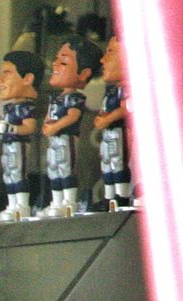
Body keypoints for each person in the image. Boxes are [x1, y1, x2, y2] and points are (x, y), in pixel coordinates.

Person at [39, 36, 101, 218]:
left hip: (66, 139)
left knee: (66, 168)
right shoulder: (55, 98)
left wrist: (55, 126)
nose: (55, 64)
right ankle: (56, 201)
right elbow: (49, 115)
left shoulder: (75, 98)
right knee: (53, 169)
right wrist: (47, 125)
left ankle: (69, 201)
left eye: (64, 62)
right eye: (56, 59)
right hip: (54, 140)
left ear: (84, 74)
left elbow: (73, 116)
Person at [0, 49, 43, 222]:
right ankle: (12, 205)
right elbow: (5, 129)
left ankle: (22, 206)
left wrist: (10, 129)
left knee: (18, 174)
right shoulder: (9, 108)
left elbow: (29, 127)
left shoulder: (26, 107)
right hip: (8, 146)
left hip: (19, 146)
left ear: (27, 79)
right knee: (9, 175)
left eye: (7, 73)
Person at [92, 34, 132, 208]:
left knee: (119, 163)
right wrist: (102, 117)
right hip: (109, 135)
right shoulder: (112, 91)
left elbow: (127, 107)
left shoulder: (130, 89)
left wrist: (108, 118)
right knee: (108, 164)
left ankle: (122, 196)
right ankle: (109, 198)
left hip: (121, 134)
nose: (103, 59)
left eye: (111, 52)